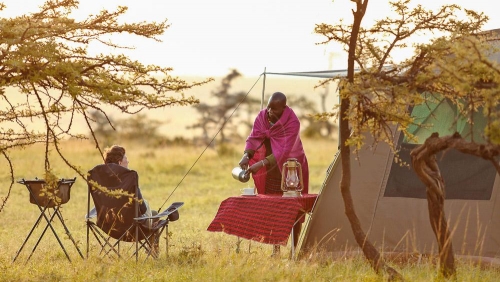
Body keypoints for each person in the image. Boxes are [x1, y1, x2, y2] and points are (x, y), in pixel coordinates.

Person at [238, 91, 309, 255]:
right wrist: (246, 156)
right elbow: (254, 137)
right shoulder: (262, 117)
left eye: (273, 109)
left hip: (292, 169)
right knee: (274, 209)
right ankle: (276, 249)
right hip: (272, 170)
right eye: (268, 107)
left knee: (293, 210)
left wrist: (261, 163)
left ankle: (293, 251)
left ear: (283, 108)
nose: (269, 111)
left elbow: (284, 150)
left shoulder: (292, 122)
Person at [102, 145, 159, 255]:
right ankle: (154, 253)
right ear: (119, 163)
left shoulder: (101, 179)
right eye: (126, 159)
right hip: (132, 228)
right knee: (155, 215)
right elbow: (142, 208)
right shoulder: (130, 178)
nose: (128, 161)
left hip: (109, 226)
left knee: (154, 213)